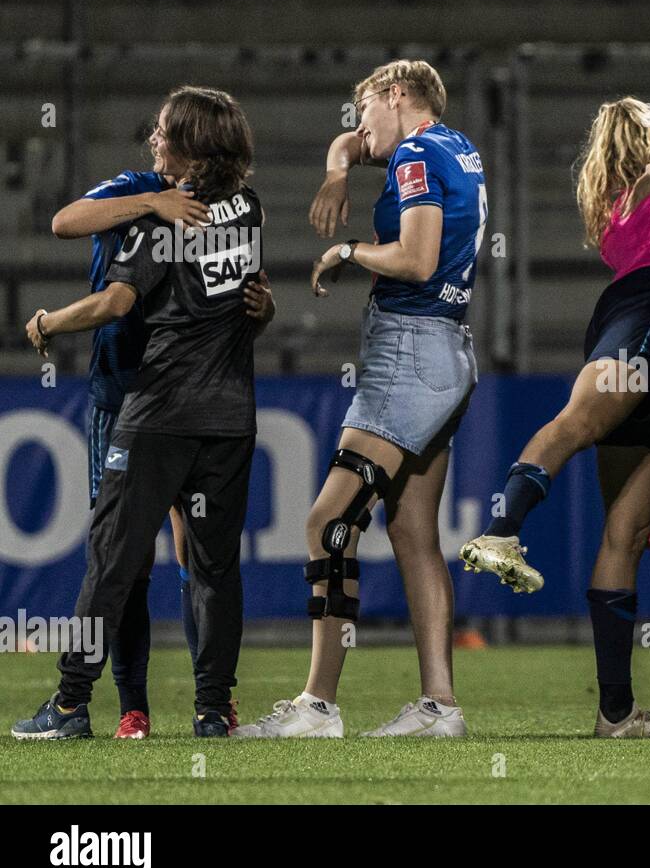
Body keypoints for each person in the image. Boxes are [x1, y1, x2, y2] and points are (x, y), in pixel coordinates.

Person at [234, 59, 483, 739]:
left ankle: (317, 704)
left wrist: (351, 249)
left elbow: (419, 258)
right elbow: (351, 147)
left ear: (395, 96)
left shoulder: (415, 156)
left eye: (364, 109)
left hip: (408, 350)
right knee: (412, 533)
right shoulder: (456, 146)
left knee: (327, 523)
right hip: (449, 347)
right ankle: (441, 707)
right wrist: (339, 170)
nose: (358, 125)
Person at [13, 85, 269, 739]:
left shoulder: (164, 222)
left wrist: (49, 320)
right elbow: (238, 298)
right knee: (214, 567)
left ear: (191, 148)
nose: (153, 138)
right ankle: (212, 710)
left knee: (113, 559)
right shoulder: (248, 210)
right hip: (231, 415)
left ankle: (71, 704)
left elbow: (118, 301)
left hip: (155, 412)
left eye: (164, 131)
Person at [459, 99, 650, 628]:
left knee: (629, 533)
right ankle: (501, 531)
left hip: (647, 329)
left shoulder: (617, 206)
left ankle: (615, 712)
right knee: (580, 422)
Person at [47, 146, 214, 739]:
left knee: (195, 548)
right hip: (121, 390)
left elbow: (242, 289)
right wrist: (151, 201)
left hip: (185, 395)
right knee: (125, 557)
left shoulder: (223, 207)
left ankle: (211, 706)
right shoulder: (136, 187)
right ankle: (132, 709)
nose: (155, 143)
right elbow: (64, 221)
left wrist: (264, 309)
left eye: (167, 134)